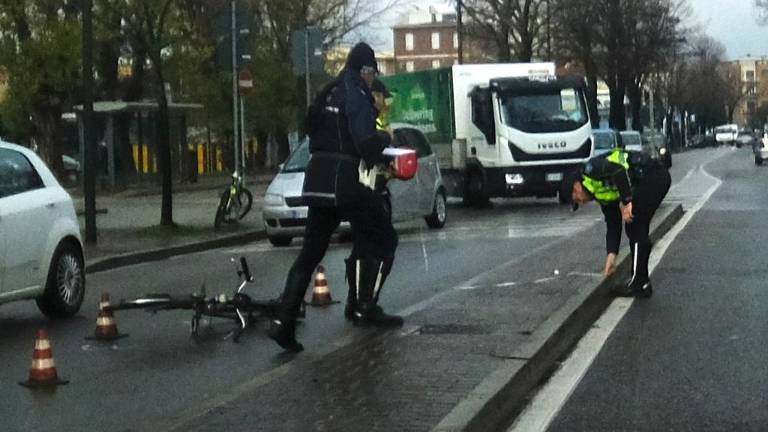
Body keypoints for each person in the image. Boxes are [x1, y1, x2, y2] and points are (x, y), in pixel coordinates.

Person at [268, 42, 402, 353]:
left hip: (317, 180)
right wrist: (386, 138)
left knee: (310, 253)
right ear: (365, 70)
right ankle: (364, 305)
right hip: (348, 182)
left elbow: (311, 128)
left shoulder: (326, 91)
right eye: (372, 74)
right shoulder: (355, 93)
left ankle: (283, 323)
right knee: (383, 239)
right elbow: (364, 142)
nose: (373, 80)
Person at [568, 146, 671, 297]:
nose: (581, 202)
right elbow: (613, 224)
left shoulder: (592, 169)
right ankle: (642, 283)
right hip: (648, 181)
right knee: (636, 226)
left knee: (635, 225)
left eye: (577, 198)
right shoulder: (599, 193)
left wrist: (627, 202)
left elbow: (618, 171)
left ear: (576, 186)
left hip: (653, 176)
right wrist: (611, 254)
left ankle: (639, 283)